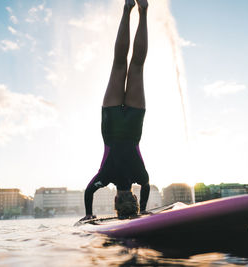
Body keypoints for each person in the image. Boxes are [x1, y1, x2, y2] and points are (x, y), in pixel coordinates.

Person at [81, 0, 150, 221]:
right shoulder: (105, 176)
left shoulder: (141, 176)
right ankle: (127, 8)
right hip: (111, 123)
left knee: (137, 65)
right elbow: (88, 192)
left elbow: (147, 186)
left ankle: (143, 11)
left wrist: (145, 209)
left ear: (134, 198)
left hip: (133, 123)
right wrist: (89, 215)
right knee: (120, 63)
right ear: (116, 203)